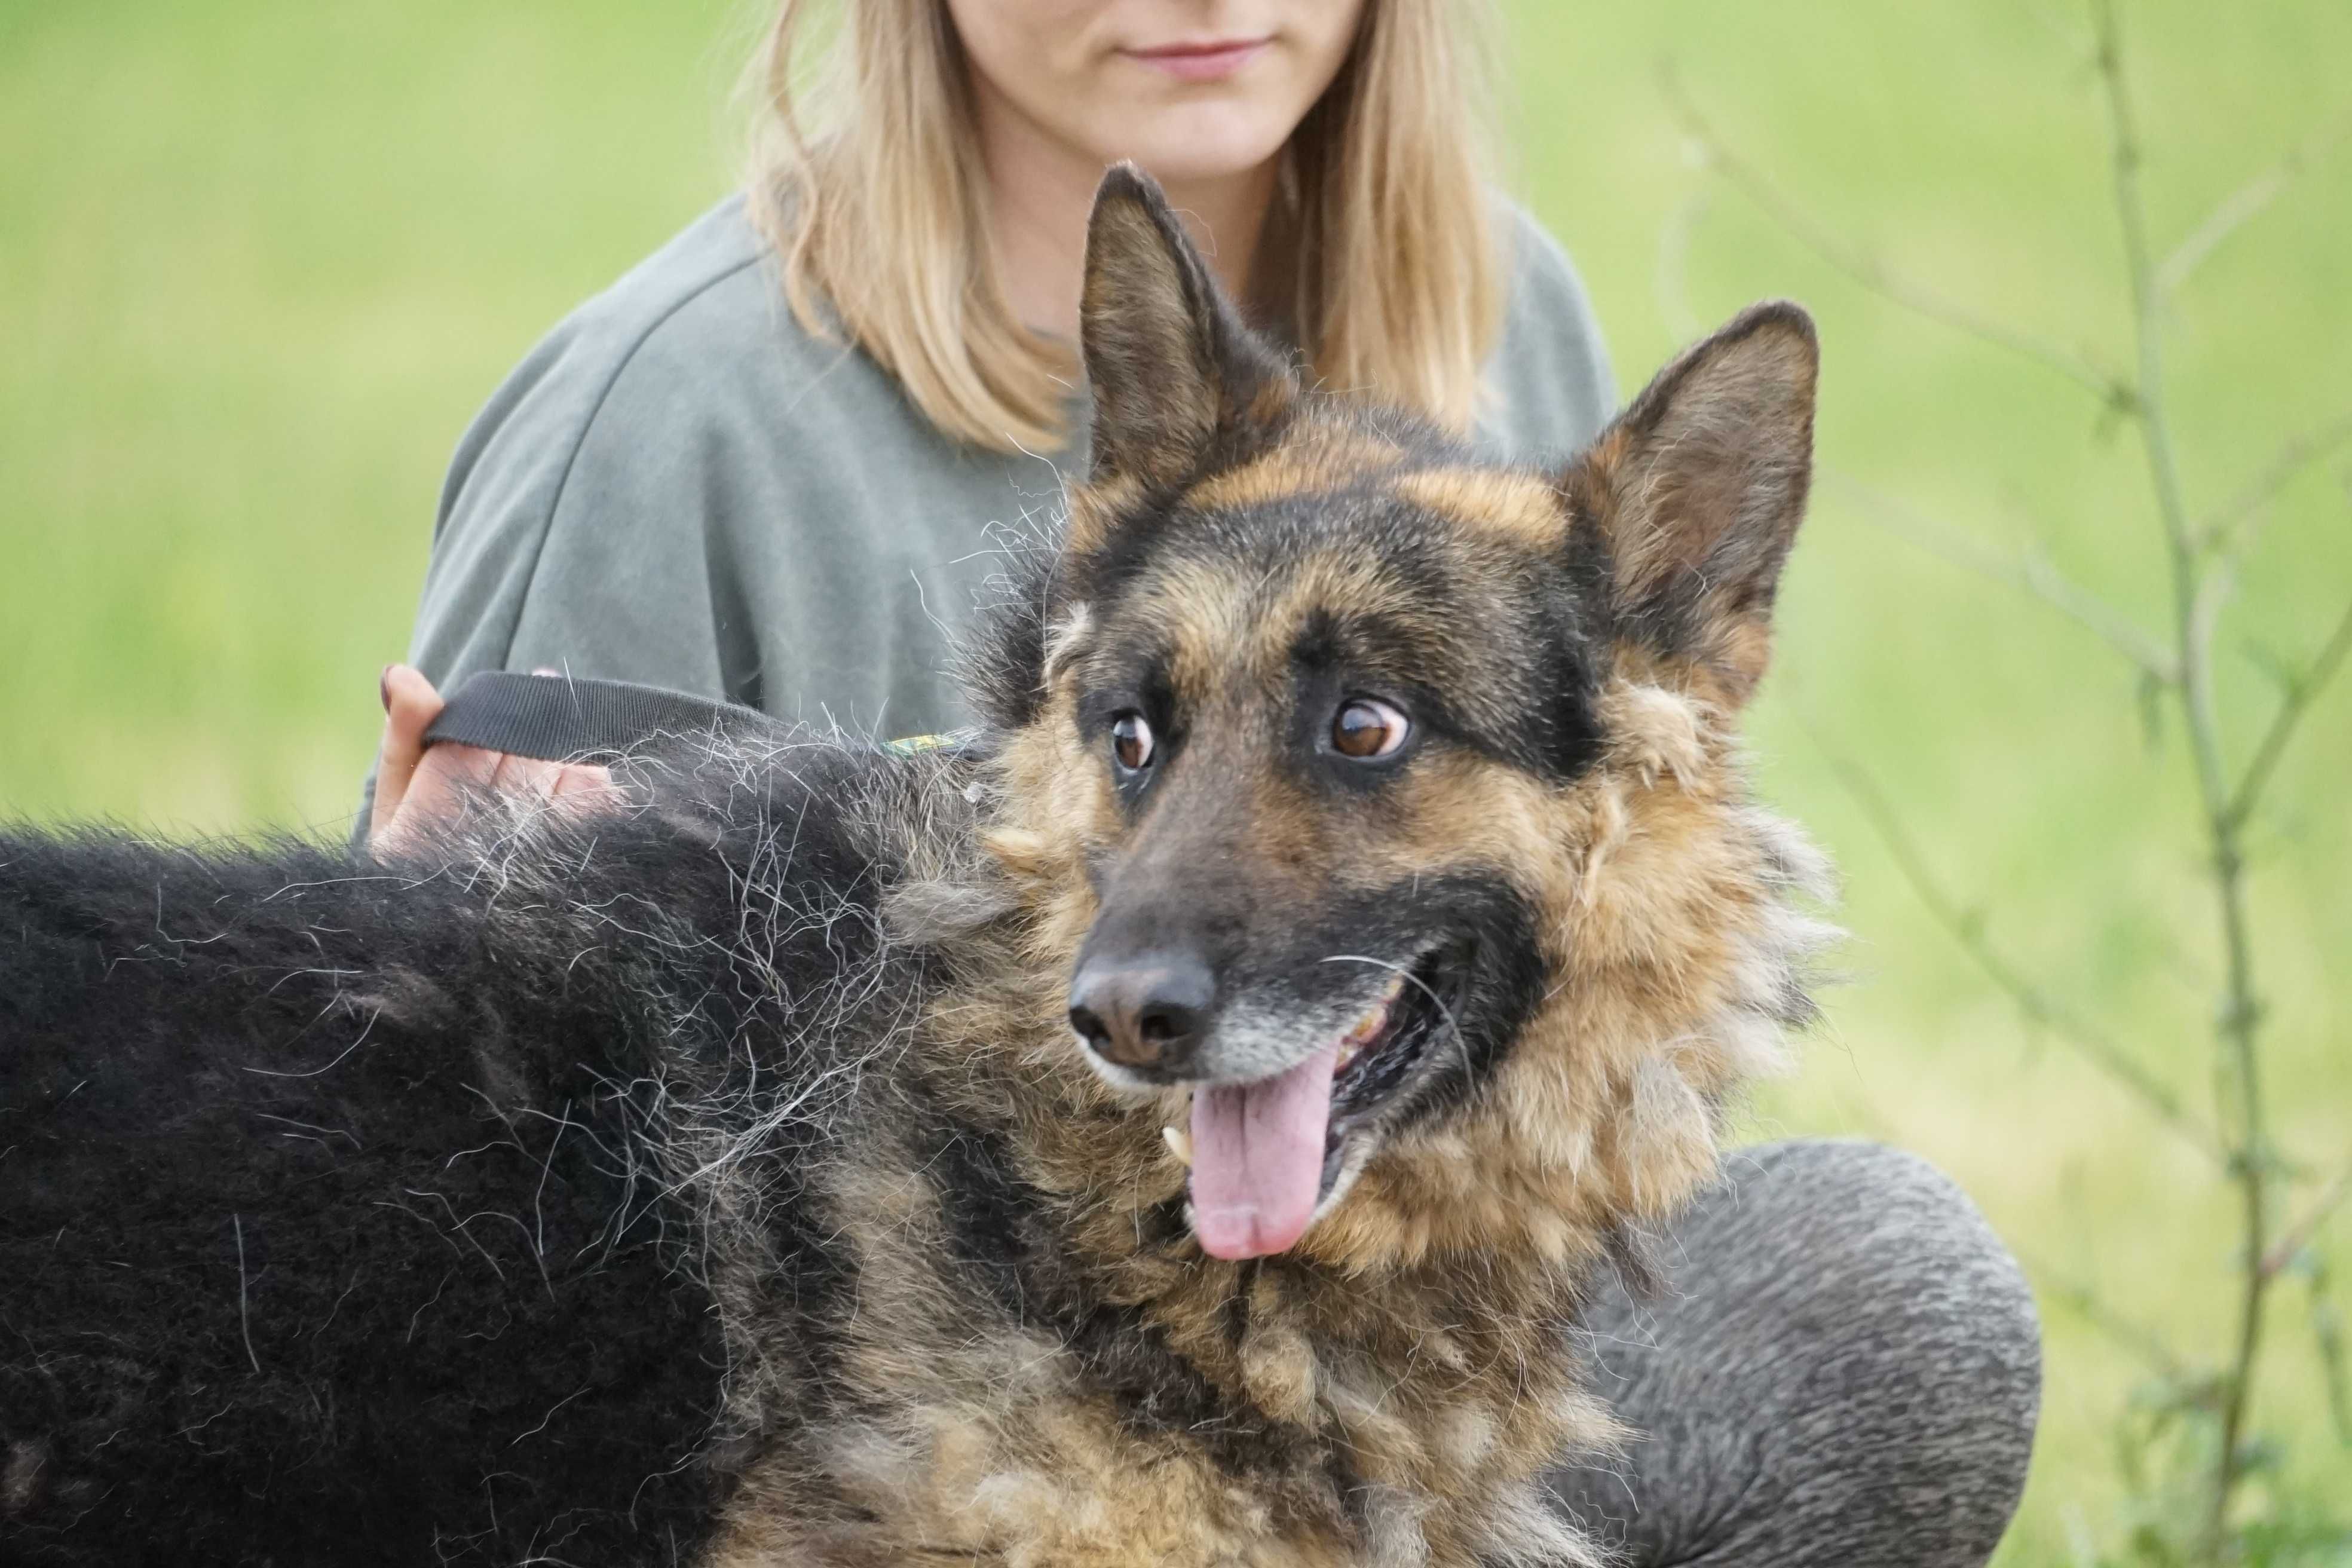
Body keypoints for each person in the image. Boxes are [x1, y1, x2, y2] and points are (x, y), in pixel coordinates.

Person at [362, 2, 2041, 1560]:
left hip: (1396, 1366)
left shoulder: (1506, 318)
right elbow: (461, 1164)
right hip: (877, 1436)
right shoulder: (668, 417)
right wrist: (431, 922)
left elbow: (1604, 944)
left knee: (1877, 1288)